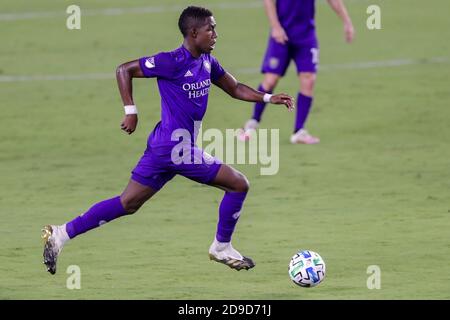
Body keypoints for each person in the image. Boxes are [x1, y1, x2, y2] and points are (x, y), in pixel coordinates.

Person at [41, 6, 293, 274]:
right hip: (176, 148)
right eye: (211, 28)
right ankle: (221, 247)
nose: (216, 34)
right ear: (194, 33)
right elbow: (124, 70)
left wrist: (268, 98)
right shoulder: (171, 61)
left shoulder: (208, 61)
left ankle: (61, 234)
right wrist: (131, 111)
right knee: (238, 185)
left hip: (166, 146)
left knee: (129, 203)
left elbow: (235, 88)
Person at [239, 0, 354, 144]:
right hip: (282, 33)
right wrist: (275, 27)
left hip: (306, 35)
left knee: (309, 79)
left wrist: (347, 21)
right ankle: (253, 122)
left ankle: (299, 131)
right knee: (270, 80)